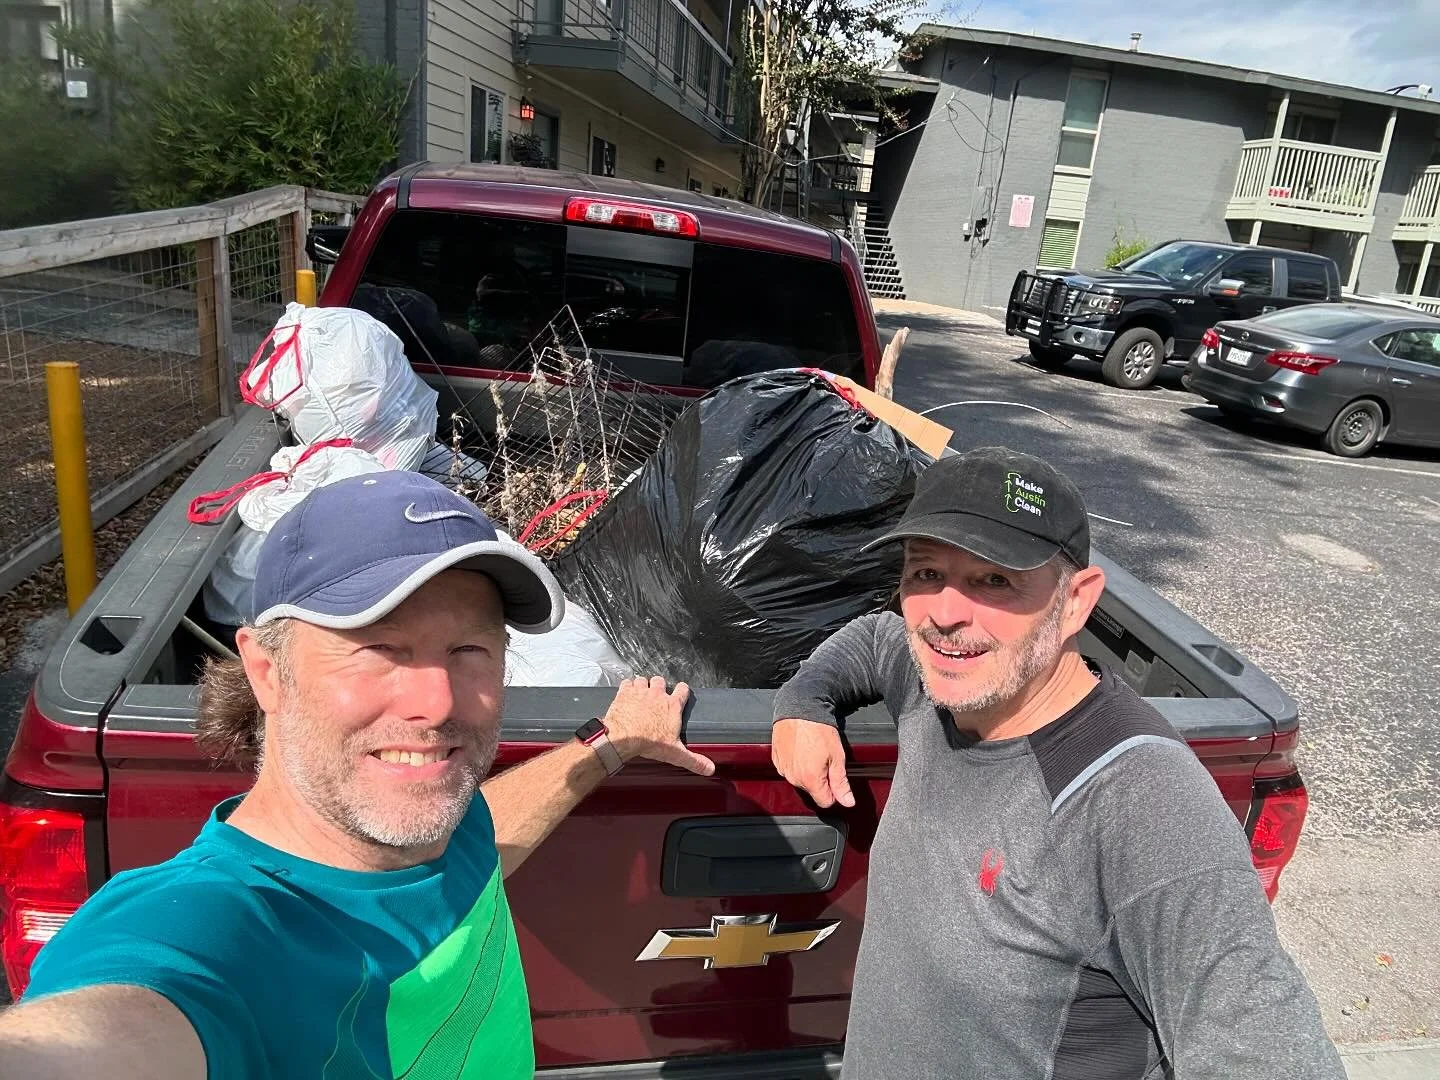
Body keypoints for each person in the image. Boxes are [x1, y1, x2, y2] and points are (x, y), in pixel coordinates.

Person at [0, 470, 713, 1078]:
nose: (435, 703)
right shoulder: (209, 931)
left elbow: (485, 839)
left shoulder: (440, 831)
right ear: (265, 671)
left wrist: (608, 743)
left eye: (470, 649)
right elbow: (94, 1035)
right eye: (378, 647)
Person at [770, 447, 1344, 1080]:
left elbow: (1265, 1050)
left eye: (995, 581)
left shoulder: (1140, 801)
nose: (945, 613)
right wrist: (803, 704)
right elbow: (875, 639)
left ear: (1076, 601)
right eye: (926, 572)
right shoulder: (937, 685)